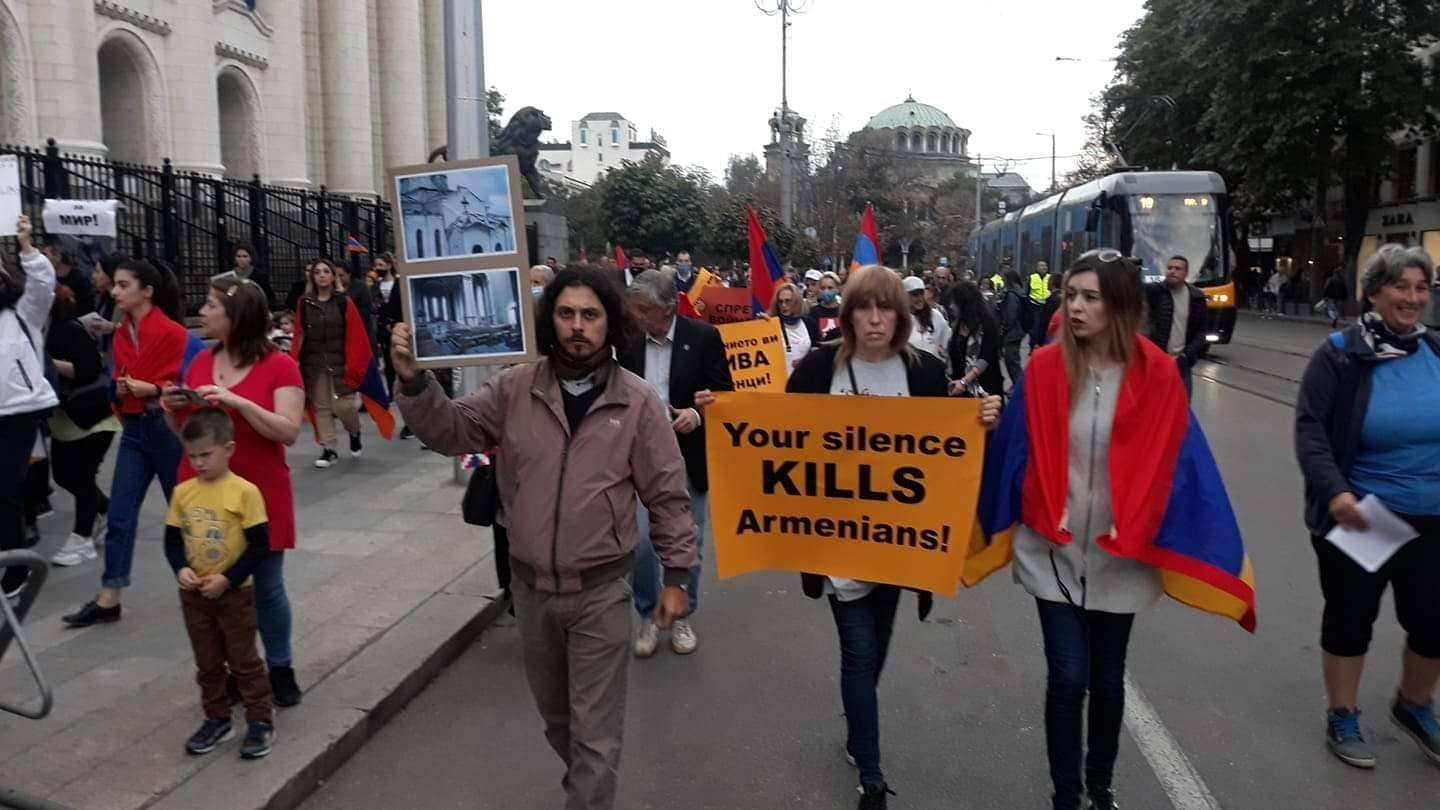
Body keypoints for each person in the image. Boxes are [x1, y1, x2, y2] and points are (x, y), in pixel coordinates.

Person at [390, 266, 697, 810]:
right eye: (566, 313)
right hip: (531, 593)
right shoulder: (514, 388)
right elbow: (453, 431)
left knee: (596, 736)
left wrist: (676, 576)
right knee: (560, 722)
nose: (578, 326)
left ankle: (588, 796)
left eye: (590, 315)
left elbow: (669, 495)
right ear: (549, 320)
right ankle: (586, 786)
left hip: (601, 592)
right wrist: (416, 383)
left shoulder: (638, 401)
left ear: (609, 323)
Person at [993, 249, 1243, 810]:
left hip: (1122, 554)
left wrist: (1199, 537)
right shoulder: (1045, 369)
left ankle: (1100, 787)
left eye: (1091, 297)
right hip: (1052, 552)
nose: (1075, 308)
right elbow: (1011, 447)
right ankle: (1066, 795)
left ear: (1121, 306)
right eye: (1071, 296)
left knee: (1107, 679)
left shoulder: (1157, 374)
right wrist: (986, 420)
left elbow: (1185, 464)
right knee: (1067, 677)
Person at [785, 264, 1000, 810]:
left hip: (899, 546)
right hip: (836, 541)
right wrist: (718, 415)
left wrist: (982, 418)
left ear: (901, 316)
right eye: (864, 307)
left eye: (886, 308)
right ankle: (872, 776)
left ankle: (858, 729)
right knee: (859, 651)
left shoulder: (925, 372)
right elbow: (775, 438)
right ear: (848, 314)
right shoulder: (818, 369)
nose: (875, 319)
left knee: (875, 647)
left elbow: (949, 450)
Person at [1294, 244, 1440, 770]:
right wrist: (1336, 492)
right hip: (1364, 512)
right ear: (1374, 292)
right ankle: (1343, 714)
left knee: (1434, 619)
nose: (1413, 298)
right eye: (1401, 286)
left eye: (1421, 288)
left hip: (1433, 514)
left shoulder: (1436, 351)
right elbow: (1311, 429)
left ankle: (1414, 704)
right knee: (1352, 616)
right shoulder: (1341, 354)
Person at [163, 276, 307, 707]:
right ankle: (235, 670)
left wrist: (237, 401)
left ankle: (279, 667)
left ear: (236, 316)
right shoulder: (200, 362)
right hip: (205, 495)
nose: (202, 312)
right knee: (214, 589)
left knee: (266, 587)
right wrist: (172, 409)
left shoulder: (280, 366)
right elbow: (187, 435)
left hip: (257, 492)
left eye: (210, 306)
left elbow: (288, 431)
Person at [62, 259, 190, 626]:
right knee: (119, 514)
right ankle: (110, 596)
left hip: (165, 429)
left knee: (185, 511)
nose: (114, 291)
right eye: (114, 284)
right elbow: (118, 376)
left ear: (146, 291)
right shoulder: (121, 334)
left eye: (123, 285)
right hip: (134, 429)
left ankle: (202, 582)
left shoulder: (173, 333)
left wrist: (155, 389)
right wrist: (120, 390)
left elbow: (190, 384)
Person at [621, 269, 733, 657]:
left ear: (667, 309)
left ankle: (683, 612)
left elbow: (725, 394)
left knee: (689, 541)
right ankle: (648, 613)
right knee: (640, 542)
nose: (635, 316)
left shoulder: (703, 338)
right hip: (638, 455)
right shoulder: (626, 340)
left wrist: (697, 415)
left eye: (643, 310)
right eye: (633, 308)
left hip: (687, 455)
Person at [164, 407, 275, 759]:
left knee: (244, 661)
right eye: (192, 456)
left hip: (235, 595)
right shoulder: (183, 493)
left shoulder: (245, 492)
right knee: (207, 662)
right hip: (195, 594)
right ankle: (216, 718)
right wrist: (180, 568)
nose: (198, 463)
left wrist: (228, 579)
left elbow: (260, 546)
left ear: (228, 449)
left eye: (205, 455)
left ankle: (260, 720)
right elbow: (171, 539)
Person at [0, 216, 58, 600]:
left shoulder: (23, 312)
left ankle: (17, 568)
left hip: (18, 413)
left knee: (4, 490)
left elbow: (43, 284)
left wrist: (27, 247)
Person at [46, 285, 121, 567]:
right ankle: (107, 510)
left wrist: (46, 362)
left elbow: (87, 369)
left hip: (92, 417)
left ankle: (82, 538)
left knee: (82, 476)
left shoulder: (68, 329)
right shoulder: (34, 330)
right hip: (65, 419)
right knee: (63, 475)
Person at [294, 258, 364, 468]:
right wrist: (295, 360)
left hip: (341, 361)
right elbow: (299, 333)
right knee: (322, 407)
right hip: (314, 362)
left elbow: (355, 332)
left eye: (326, 271)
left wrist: (355, 361)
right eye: (317, 272)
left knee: (344, 406)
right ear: (312, 277)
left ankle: (354, 431)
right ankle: (329, 448)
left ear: (333, 276)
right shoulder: (304, 303)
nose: (322, 275)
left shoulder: (343, 302)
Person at [1145, 255, 1209, 398]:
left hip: (1181, 364)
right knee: (1155, 403)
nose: (1172, 271)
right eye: (1169, 268)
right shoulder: (1154, 292)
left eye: (1177, 268)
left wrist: (1186, 356)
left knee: (1182, 405)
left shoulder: (1196, 297)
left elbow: (1201, 332)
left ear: (1186, 273)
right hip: (1157, 363)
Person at [943, 281, 1004, 397]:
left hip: (984, 387)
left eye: (955, 303)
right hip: (957, 386)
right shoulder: (957, 325)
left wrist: (965, 381)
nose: (951, 306)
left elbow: (984, 359)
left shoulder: (987, 325)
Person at [769, 281, 819, 368]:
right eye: (780, 302)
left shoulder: (809, 323)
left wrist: (806, 360)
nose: (783, 305)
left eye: (788, 301)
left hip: (803, 374)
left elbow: (817, 349)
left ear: (796, 301)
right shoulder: (771, 325)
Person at [902, 275, 951, 365]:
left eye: (921, 294)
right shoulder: (898, 319)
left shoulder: (935, 316)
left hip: (933, 368)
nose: (920, 298)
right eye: (915, 295)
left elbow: (945, 341)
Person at [43, 238, 96, 316]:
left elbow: (87, 308)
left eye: (45, 255)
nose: (43, 259)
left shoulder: (80, 279)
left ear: (58, 257)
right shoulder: (50, 278)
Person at [998, 269, 1027, 391]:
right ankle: (1019, 385)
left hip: (1012, 332)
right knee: (1013, 360)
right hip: (1018, 330)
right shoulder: (1020, 292)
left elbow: (1010, 315)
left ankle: (1021, 387)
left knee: (1011, 361)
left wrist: (1004, 327)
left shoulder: (1012, 295)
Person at [231, 243, 275, 308]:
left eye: (245, 256)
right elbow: (229, 294)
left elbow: (269, 296)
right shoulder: (230, 275)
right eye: (239, 256)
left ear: (251, 258)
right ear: (235, 258)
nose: (242, 259)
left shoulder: (259, 275)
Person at [808, 271, 843, 340]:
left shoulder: (844, 311)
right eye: (823, 288)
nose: (826, 291)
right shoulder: (812, 312)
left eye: (830, 288)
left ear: (838, 289)